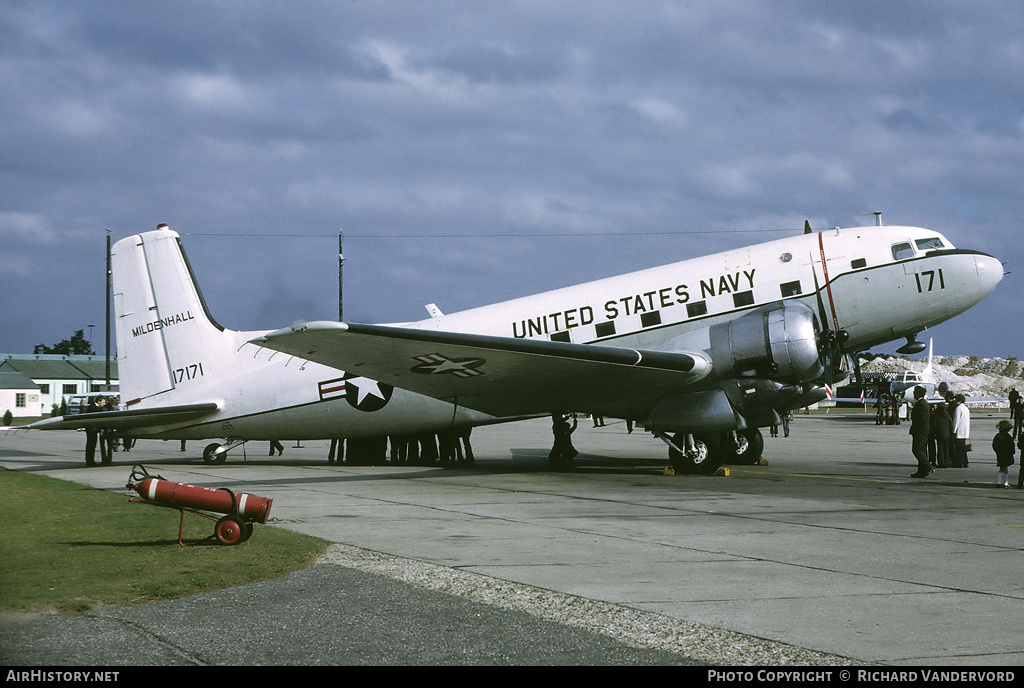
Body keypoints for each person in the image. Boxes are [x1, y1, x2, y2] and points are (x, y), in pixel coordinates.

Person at [909, 386, 933, 478]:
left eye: (915, 392)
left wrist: (918, 430)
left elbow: (923, 419)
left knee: (917, 450)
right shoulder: (922, 403)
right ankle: (922, 471)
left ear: (918, 393)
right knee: (922, 451)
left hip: (920, 431)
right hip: (922, 431)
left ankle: (927, 466)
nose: (913, 394)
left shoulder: (921, 404)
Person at [83, 396, 107, 467]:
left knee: (91, 445)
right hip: (91, 429)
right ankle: (90, 461)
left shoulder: (92, 406)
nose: (104, 404)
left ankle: (90, 460)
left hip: (91, 429)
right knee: (91, 445)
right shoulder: (93, 408)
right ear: (98, 401)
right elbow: (99, 410)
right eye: (103, 402)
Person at [992, 420, 1015, 488]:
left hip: (1000, 454)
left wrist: (997, 451)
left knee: (1002, 467)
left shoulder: (998, 436)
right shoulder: (1008, 436)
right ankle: (1005, 482)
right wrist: (1012, 452)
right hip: (1007, 454)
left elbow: (994, 445)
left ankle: (999, 482)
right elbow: (1011, 446)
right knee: (1005, 468)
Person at [952, 394, 971, 468]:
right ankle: (965, 462)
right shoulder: (966, 409)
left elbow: (956, 420)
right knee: (963, 448)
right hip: (965, 431)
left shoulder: (958, 409)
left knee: (958, 448)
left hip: (959, 431)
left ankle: (960, 462)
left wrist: (954, 430)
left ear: (959, 400)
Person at [932, 401, 952, 468]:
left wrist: (934, 432)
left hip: (939, 433)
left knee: (940, 448)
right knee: (946, 448)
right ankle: (947, 462)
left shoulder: (936, 415)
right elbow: (951, 424)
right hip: (947, 433)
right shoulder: (947, 414)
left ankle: (941, 463)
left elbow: (934, 425)